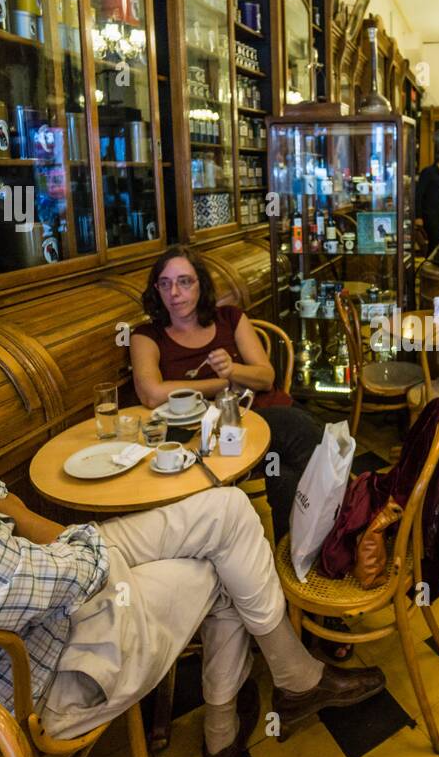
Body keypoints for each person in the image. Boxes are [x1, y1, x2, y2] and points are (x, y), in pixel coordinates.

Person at [0, 323, 385, 757]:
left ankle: (282, 685)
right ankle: (232, 724)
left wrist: (22, 520)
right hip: (39, 689)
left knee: (227, 511)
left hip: (21, 602)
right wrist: (31, 524)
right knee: (224, 555)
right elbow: (82, 569)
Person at [130, 246, 354, 663]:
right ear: (156, 291)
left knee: (301, 463)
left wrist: (232, 371)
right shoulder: (147, 335)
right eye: (164, 284)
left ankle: (310, 571)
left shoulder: (229, 318)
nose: (175, 292)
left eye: (184, 281)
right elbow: (151, 392)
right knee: (299, 466)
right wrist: (221, 384)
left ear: (200, 284)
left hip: (263, 417)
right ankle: (317, 573)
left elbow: (265, 375)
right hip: (213, 439)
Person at [414, 150, 439, 257]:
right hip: (430, 216)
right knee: (433, 246)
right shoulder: (428, 172)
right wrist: (418, 216)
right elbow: (419, 194)